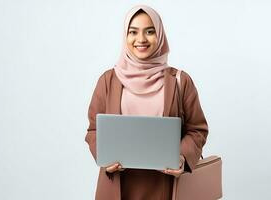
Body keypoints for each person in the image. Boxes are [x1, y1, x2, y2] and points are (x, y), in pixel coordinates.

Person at [85, 5, 208, 200]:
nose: (141, 39)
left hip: (166, 188)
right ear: (125, 36)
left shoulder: (180, 81)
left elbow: (197, 130)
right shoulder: (108, 80)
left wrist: (182, 157)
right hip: (117, 187)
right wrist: (103, 156)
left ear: (160, 35)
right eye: (133, 32)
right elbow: (93, 131)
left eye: (150, 31)